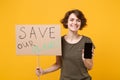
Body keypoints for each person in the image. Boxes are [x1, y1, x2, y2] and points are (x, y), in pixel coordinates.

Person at [36, 9, 95, 80]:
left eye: (78, 20)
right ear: (66, 22)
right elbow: (58, 64)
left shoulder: (87, 41)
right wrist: (43, 71)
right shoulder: (59, 41)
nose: (75, 22)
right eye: (72, 20)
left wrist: (85, 59)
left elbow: (90, 66)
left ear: (81, 23)